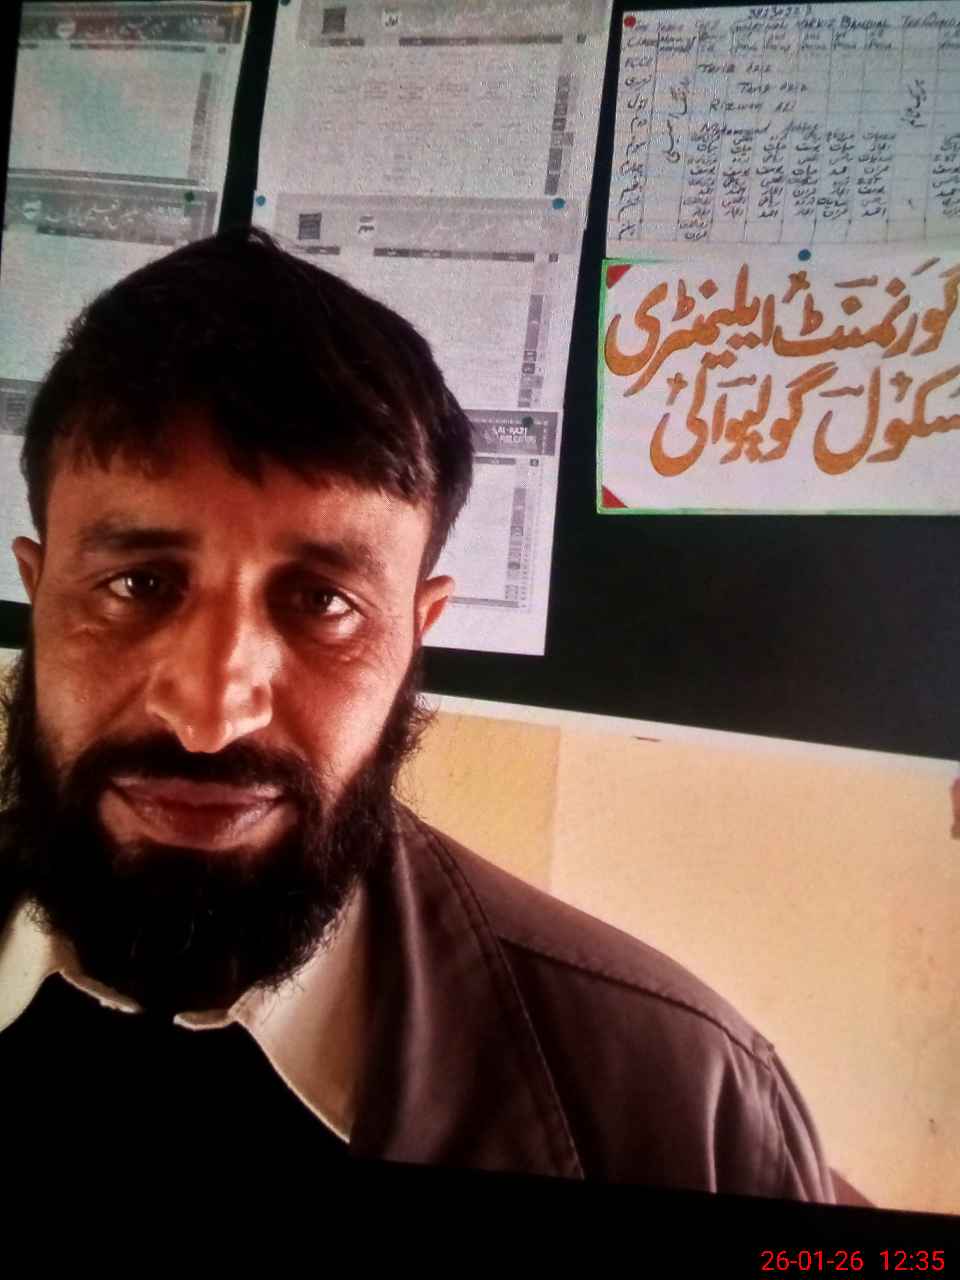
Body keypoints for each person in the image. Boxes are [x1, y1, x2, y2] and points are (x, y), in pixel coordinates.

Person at [0, 225, 839, 1198]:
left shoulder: (684, 1109)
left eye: (323, 602)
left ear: (416, 632)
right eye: (138, 584)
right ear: (37, 589)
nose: (211, 716)